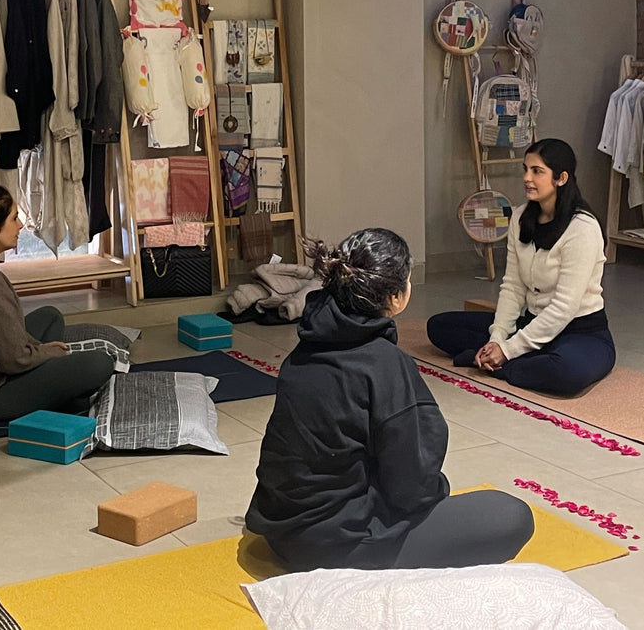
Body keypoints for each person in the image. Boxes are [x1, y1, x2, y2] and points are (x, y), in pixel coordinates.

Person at [245, 228, 533, 572]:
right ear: (397, 298)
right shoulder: (384, 364)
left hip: (280, 535)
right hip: (335, 548)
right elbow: (413, 488)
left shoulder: (304, 348)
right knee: (510, 515)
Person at [427, 138, 615, 396]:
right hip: (530, 324)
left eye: (537, 171)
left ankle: (502, 365)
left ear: (561, 178)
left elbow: (564, 308)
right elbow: (513, 286)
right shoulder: (519, 216)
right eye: (525, 169)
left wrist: (507, 350)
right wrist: (498, 338)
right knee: (440, 326)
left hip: (580, 332)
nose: (527, 178)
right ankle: (514, 358)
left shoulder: (582, 228)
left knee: (568, 373)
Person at [0, 173, 114, 423]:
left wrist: (38, 349)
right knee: (99, 363)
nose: (20, 226)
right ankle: (61, 396)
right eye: (14, 218)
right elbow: (13, 360)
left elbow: (3, 338)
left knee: (50, 317)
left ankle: (58, 391)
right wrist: (48, 354)